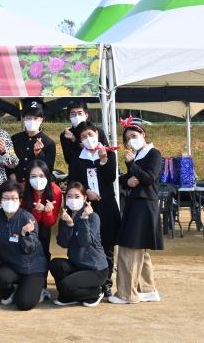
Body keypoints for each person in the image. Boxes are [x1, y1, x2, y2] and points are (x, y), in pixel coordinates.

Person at [109, 122, 164, 305]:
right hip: (136, 204)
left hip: (144, 204)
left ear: (143, 134)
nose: (131, 140)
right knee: (140, 249)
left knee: (129, 248)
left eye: (134, 136)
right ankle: (148, 290)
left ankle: (127, 294)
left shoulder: (153, 153)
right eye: (128, 139)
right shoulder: (138, 155)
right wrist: (128, 179)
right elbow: (128, 179)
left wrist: (132, 165)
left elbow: (149, 178)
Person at [67, 121, 120, 297]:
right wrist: (86, 190)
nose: (88, 138)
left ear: (97, 134)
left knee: (107, 244)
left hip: (106, 205)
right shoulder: (77, 157)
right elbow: (73, 180)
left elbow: (110, 178)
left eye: (90, 134)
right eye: (83, 136)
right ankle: (87, 279)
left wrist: (103, 160)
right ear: (80, 140)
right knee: (85, 242)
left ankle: (107, 282)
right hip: (86, 207)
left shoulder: (108, 153)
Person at [0, 181, 48, 311]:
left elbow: (30, 249)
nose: (9, 201)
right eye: (6, 198)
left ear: (20, 200)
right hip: (11, 265)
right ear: (0, 200)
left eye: (14, 198)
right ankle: (10, 291)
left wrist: (25, 234)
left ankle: (36, 289)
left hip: (32, 268)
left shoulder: (28, 219)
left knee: (24, 303)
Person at [50, 182, 109, 307]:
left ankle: (96, 292)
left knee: (66, 285)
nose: (73, 200)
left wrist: (84, 219)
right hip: (77, 265)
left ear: (85, 198)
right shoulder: (66, 217)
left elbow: (84, 242)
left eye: (77, 196)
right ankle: (69, 295)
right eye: (69, 196)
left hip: (95, 269)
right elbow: (63, 243)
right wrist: (69, 225)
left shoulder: (93, 217)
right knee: (55, 264)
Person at [22, 160, 62, 265]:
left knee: (44, 233)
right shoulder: (22, 189)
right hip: (25, 224)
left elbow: (51, 222)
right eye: (33, 176)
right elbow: (21, 217)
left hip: (45, 224)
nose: (38, 179)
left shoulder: (55, 191)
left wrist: (47, 212)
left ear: (47, 176)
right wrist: (37, 212)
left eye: (41, 176)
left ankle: (43, 264)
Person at [10, 98, 56, 182]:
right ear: (24, 118)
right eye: (28, 118)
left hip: (35, 184)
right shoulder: (15, 139)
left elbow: (48, 169)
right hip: (16, 183)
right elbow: (9, 160)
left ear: (41, 120)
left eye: (35, 118)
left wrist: (39, 154)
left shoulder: (49, 143)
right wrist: (11, 175)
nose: (32, 121)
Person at [59, 100, 108, 165]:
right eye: (73, 114)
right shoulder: (65, 135)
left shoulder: (98, 131)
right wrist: (74, 142)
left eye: (80, 113)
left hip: (99, 166)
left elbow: (107, 151)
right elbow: (68, 159)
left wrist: (75, 140)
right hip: (77, 168)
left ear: (86, 115)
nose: (77, 116)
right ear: (69, 117)